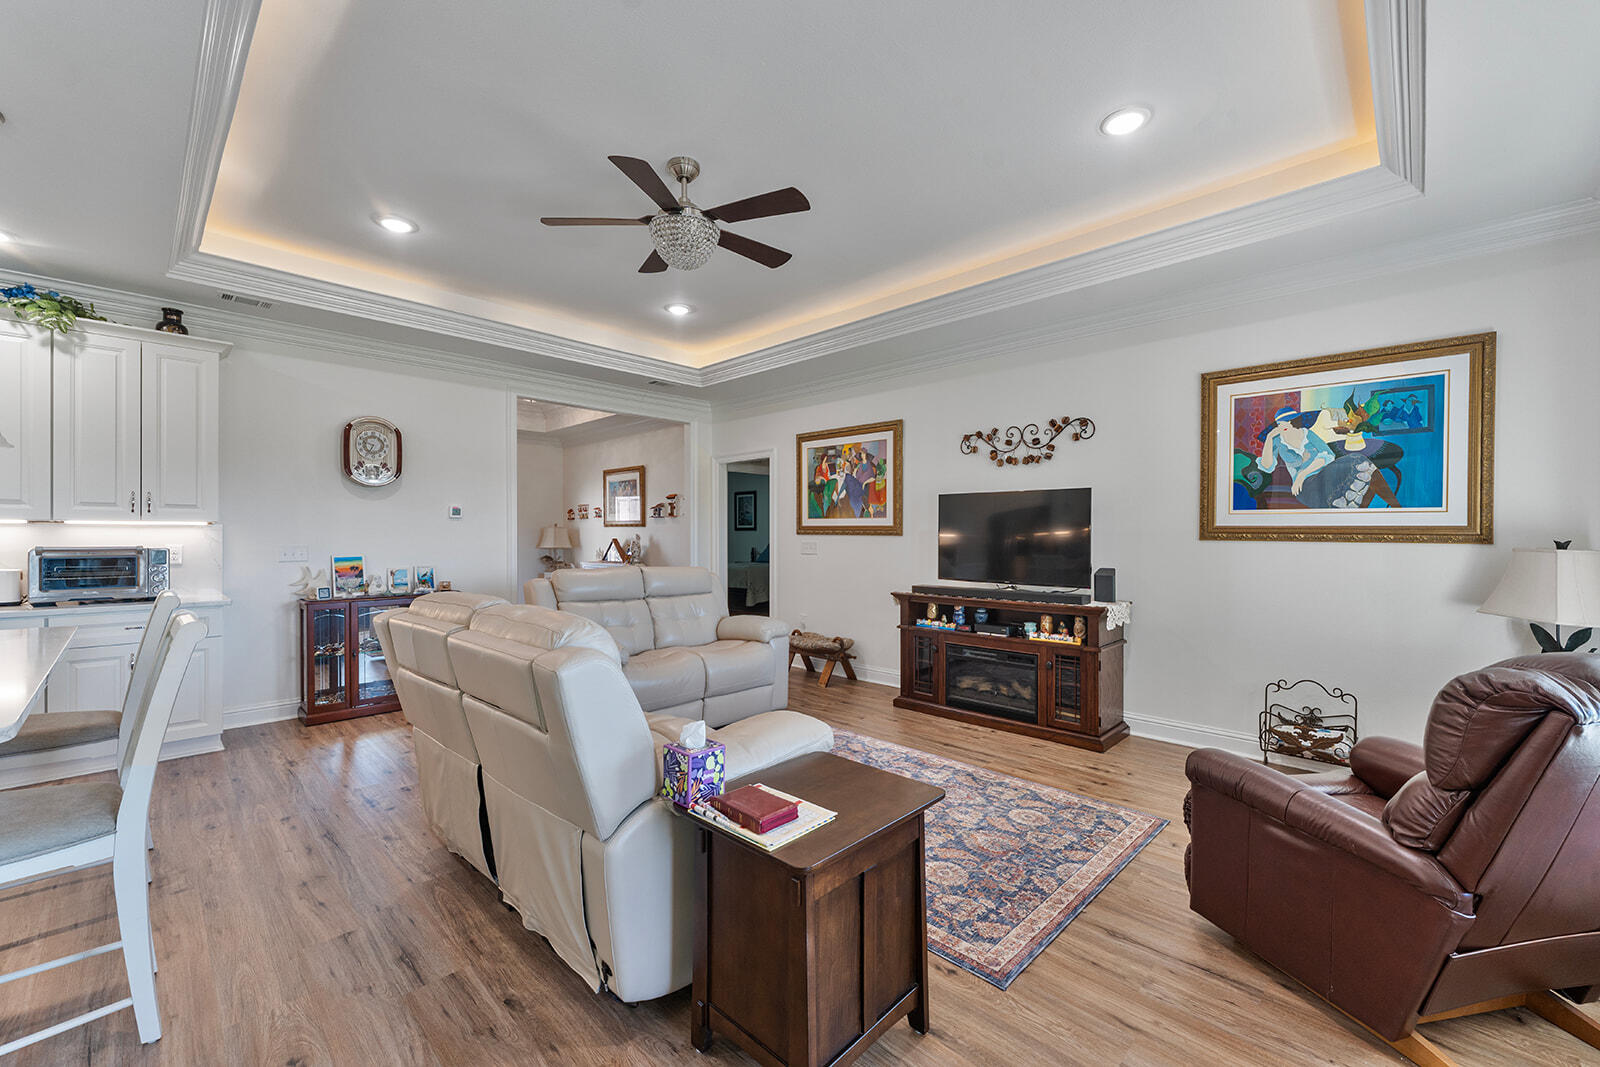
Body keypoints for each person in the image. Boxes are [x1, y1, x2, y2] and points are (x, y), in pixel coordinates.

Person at [1256, 406, 1398, 509]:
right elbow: (1267, 466)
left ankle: (1396, 506)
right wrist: (1269, 438)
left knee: (1359, 460)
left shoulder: (1307, 434)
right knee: (1361, 466)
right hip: (1305, 487)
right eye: (1280, 423)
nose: (1284, 425)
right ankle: (1395, 508)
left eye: (1288, 420)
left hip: (1323, 475)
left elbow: (1328, 455)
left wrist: (1302, 473)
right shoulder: (1277, 442)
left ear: (1295, 420)